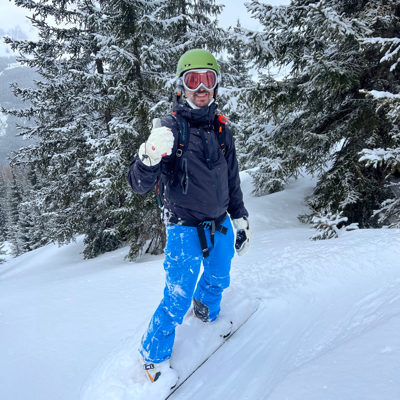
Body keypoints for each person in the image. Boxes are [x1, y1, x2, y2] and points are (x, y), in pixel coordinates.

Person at [128, 48, 251, 384]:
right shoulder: (170, 130)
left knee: (219, 275)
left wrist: (239, 218)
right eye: (193, 79)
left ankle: (206, 309)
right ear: (181, 86)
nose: (201, 87)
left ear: (216, 85)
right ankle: (153, 355)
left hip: (220, 222)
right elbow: (138, 185)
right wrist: (149, 157)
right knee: (177, 295)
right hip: (183, 225)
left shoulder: (222, 130)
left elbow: (231, 178)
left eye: (208, 79)